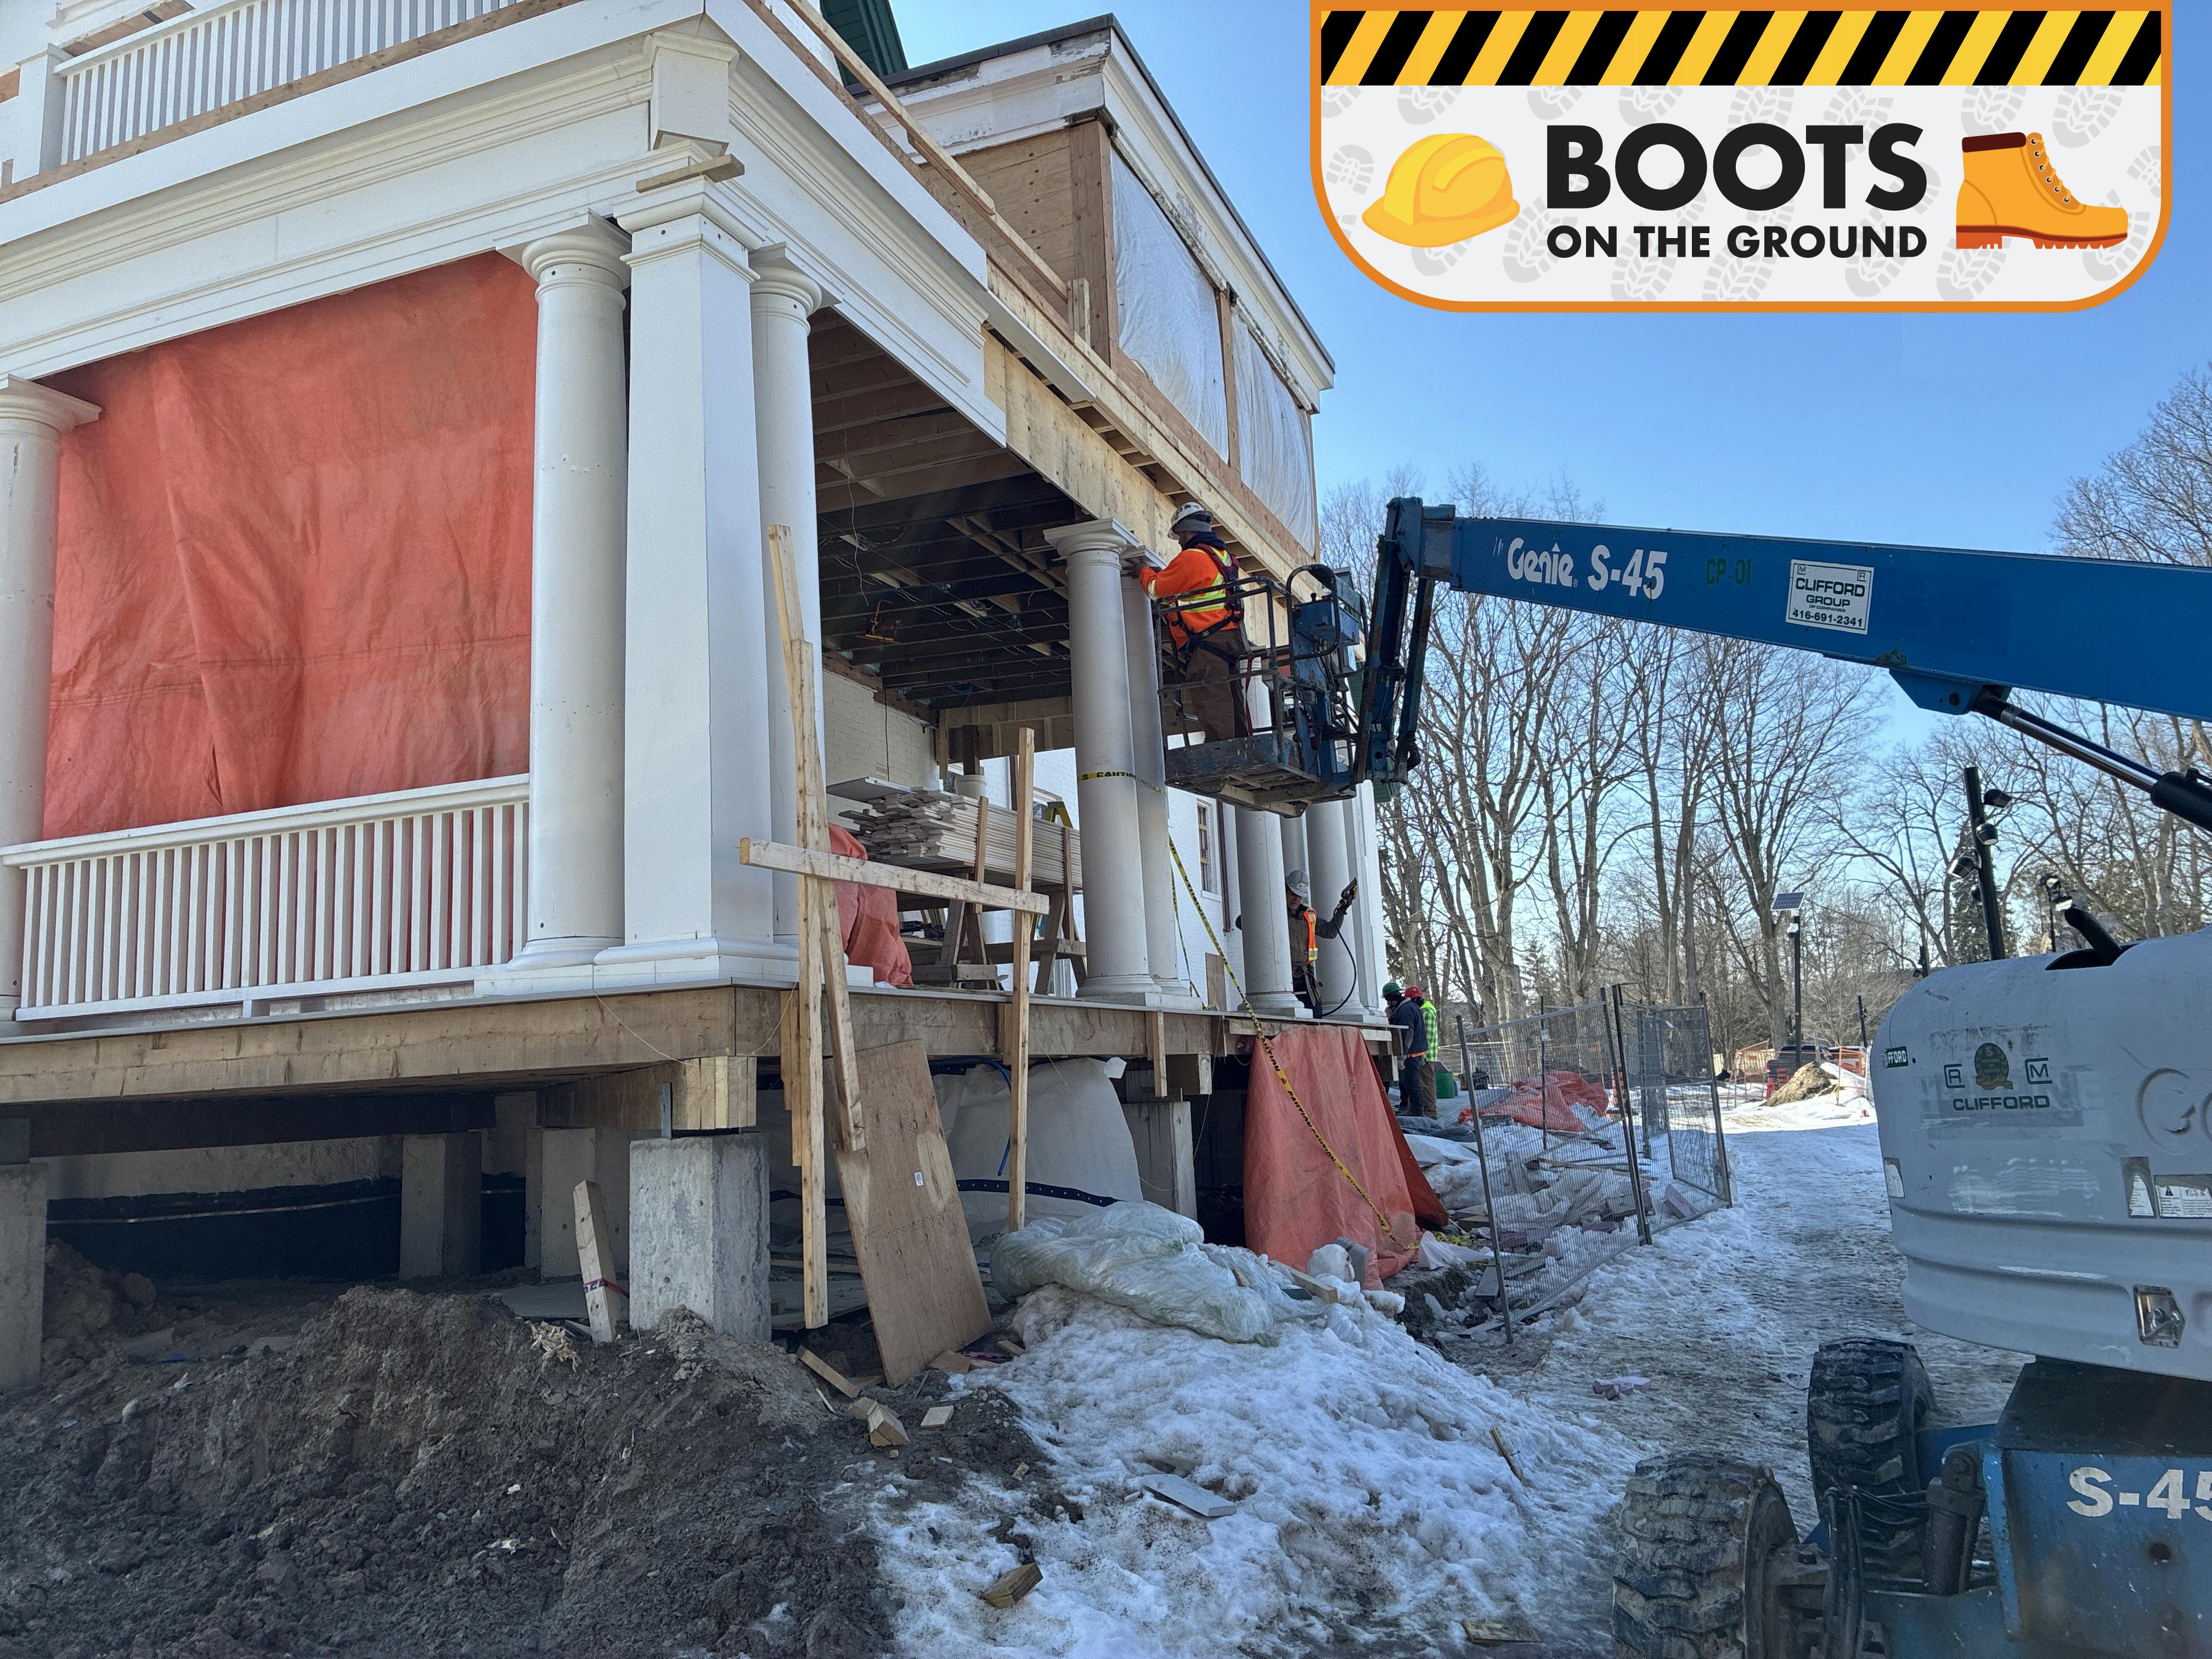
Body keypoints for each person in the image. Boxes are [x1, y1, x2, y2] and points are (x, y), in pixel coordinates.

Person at [1141, 501, 1245, 743]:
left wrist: (1143, 570)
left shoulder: (1192, 558)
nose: (1179, 541)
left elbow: (1155, 589)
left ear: (1187, 530)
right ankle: (1241, 744)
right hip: (1229, 637)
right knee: (1230, 693)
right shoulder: (1224, 557)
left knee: (1210, 695)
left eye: (1179, 535)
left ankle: (1222, 749)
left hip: (1207, 638)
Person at [1285, 867, 1358, 1011]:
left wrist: (1341, 910)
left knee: (1315, 1011)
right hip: (1283, 974)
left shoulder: (1309, 914)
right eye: (1293, 894)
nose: (1296, 899)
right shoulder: (1274, 912)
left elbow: (1330, 932)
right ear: (1286, 891)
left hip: (1304, 974)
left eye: (1299, 896)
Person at [1384, 980, 1435, 1118]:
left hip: (1411, 1053)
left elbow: (1408, 1033)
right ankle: (1415, 1111)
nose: (1388, 1004)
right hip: (1416, 1051)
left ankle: (1417, 1113)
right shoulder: (1410, 1007)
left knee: (1412, 1084)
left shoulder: (1406, 1010)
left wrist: (1402, 1055)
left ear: (1392, 998)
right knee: (1410, 1083)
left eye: (1388, 1001)